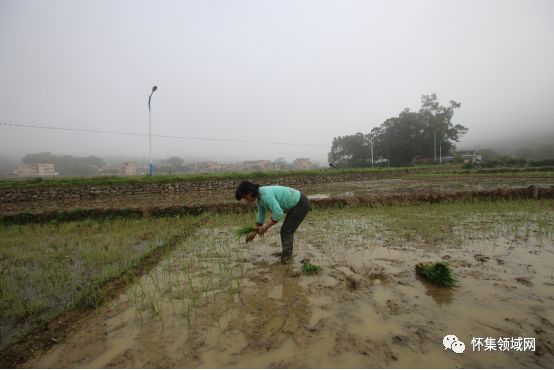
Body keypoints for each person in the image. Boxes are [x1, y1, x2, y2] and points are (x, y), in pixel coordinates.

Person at [235, 181, 310, 263]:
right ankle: (286, 254)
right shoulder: (260, 197)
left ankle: (287, 258)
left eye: (245, 197)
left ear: (250, 192)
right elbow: (261, 214)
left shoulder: (265, 195)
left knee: (286, 231)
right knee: (286, 230)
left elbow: (278, 213)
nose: (246, 200)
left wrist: (265, 227)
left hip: (300, 203)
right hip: (296, 203)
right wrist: (254, 232)